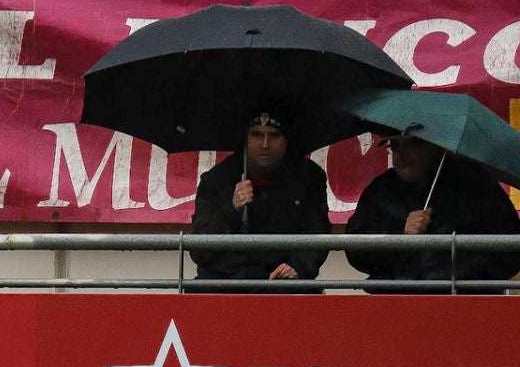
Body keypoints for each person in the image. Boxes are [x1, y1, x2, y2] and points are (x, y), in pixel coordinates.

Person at [344, 135, 520, 290]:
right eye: (395, 146)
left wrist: (459, 275)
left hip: (464, 305)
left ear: (435, 146)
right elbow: (356, 252)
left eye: (412, 144)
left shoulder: (474, 184)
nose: (402, 155)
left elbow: (510, 249)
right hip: (396, 304)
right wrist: (400, 237)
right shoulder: (381, 190)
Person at [189, 109, 330, 289]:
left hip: (279, 280)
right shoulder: (217, 179)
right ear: (244, 139)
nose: (264, 144)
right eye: (256, 135)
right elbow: (200, 252)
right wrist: (232, 210)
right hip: (225, 280)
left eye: (274, 135)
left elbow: (317, 233)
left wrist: (299, 266)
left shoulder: (309, 177)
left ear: (287, 140)